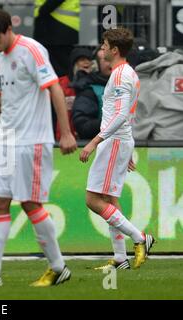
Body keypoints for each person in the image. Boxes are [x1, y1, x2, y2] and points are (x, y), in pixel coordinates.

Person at [0, 7, 77, 288]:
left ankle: (58, 267)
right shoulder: (1, 58)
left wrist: (65, 133)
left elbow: (54, 89)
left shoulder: (32, 50)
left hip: (32, 141)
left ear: (7, 30)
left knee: (30, 203)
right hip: (6, 141)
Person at [79, 28, 155, 270]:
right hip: (119, 142)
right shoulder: (124, 73)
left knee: (93, 199)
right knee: (109, 199)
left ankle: (140, 238)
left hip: (113, 142)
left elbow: (121, 115)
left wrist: (94, 142)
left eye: (104, 45)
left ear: (114, 50)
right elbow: (124, 116)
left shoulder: (122, 75)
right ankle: (121, 258)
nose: (100, 50)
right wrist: (125, 147)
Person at [72, 47, 112, 139]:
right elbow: (82, 126)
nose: (113, 63)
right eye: (107, 59)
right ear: (96, 65)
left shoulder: (130, 84)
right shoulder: (89, 90)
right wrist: (114, 121)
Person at [33, 0, 80, 77]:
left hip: (58, 29)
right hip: (57, 30)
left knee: (58, 71)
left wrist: (40, 11)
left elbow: (51, 4)